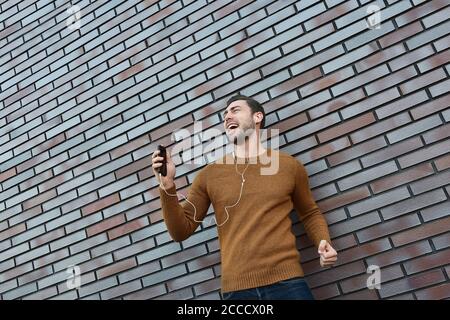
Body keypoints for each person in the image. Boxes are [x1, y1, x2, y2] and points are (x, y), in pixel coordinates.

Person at [152, 94, 337, 300]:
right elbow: (180, 231)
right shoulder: (209, 175)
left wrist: (323, 242)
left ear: (257, 117)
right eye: (224, 115)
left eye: (235, 110)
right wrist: (167, 185)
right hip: (237, 292)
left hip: (288, 285)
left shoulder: (289, 166)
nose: (227, 117)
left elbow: (310, 213)